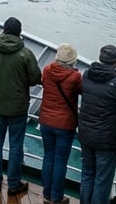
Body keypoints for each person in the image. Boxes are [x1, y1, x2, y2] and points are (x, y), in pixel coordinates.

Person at [0, 16, 41, 195]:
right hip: (18, 108)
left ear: (4, 30)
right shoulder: (26, 54)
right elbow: (35, 78)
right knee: (16, 146)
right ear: (19, 33)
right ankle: (14, 184)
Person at [78, 44, 116, 204]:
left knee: (87, 174)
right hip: (106, 139)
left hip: (86, 134)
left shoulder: (87, 75)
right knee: (102, 180)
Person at [39, 43, 82, 204]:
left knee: (48, 156)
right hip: (65, 124)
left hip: (46, 121)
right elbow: (80, 90)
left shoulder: (47, 70)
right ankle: (57, 197)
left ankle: (46, 193)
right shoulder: (75, 77)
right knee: (60, 161)